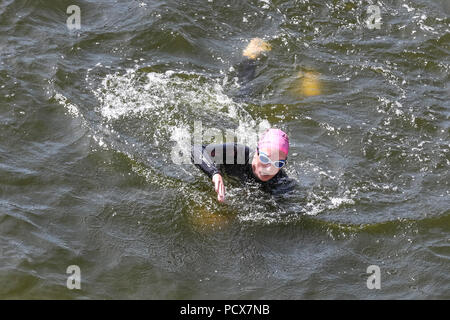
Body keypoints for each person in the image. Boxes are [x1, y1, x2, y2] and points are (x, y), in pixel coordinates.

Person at [191, 128, 294, 202]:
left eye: (278, 163)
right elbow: (196, 149)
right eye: (265, 158)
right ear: (257, 151)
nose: (269, 168)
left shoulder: (281, 181)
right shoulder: (238, 154)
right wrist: (214, 173)